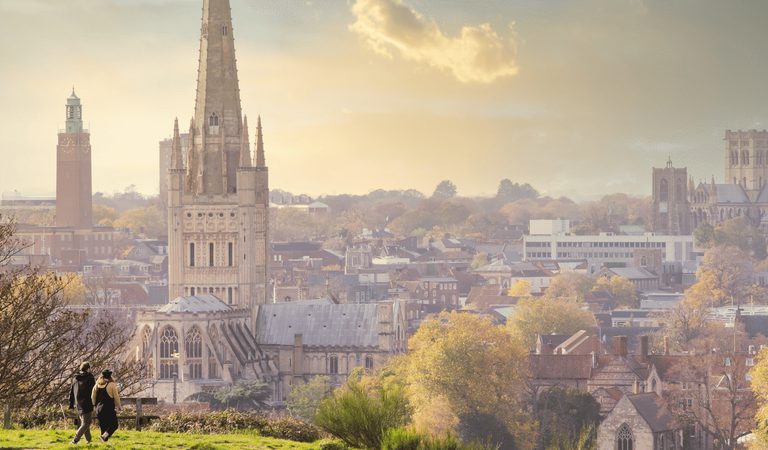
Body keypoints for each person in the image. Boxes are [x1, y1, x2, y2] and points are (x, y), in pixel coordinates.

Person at [68, 361, 95, 445]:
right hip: (87, 403)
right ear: (88, 368)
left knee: (84, 422)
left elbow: (71, 392)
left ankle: (89, 441)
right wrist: (95, 402)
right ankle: (75, 439)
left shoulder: (75, 378)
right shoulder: (90, 377)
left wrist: (71, 404)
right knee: (87, 422)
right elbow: (94, 391)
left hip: (78, 404)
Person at [91, 369, 121, 442]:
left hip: (99, 409)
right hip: (108, 408)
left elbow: (92, 396)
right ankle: (104, 437)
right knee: (114, 425)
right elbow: (116, 396)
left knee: (103, 427)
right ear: (110, 376)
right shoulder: (111, 384)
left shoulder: (97, 384)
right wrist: (119, 406)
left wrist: (94, 405)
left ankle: (103, 443)